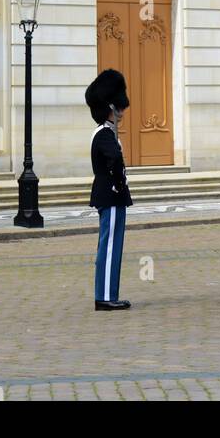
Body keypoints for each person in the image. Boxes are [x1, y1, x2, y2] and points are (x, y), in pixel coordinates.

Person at [85, 69, 133, 311]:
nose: (122, 113)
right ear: (109, 107)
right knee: (110, 245)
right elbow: (114, 158)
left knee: (112, 245)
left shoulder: (105, 132)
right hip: (111, 195)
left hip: (111, 195)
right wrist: (119, 182)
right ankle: (104, 295)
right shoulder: (104, 134)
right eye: (119, 108)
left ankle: (108, 293)